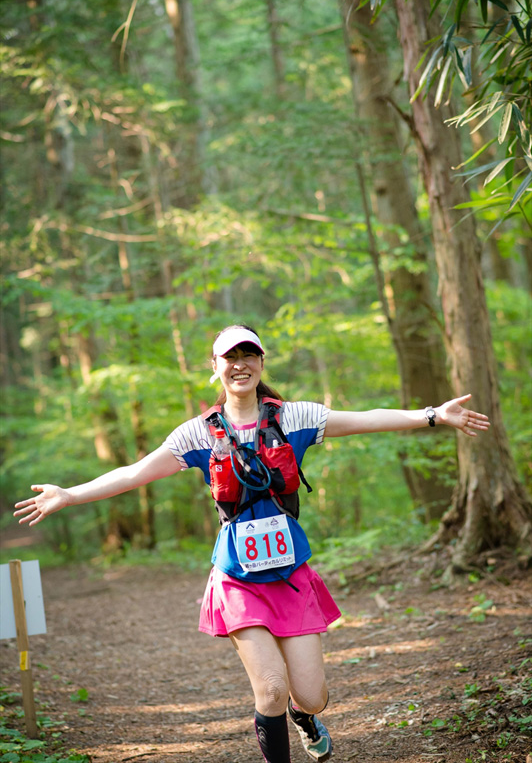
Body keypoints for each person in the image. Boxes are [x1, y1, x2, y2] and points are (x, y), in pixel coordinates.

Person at [14, 324, 490, 763]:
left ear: (261, 363)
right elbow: (133, 473)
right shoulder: (197, 433)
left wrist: (433, 415)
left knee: (310, 696)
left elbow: (366, 418)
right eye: (230, 357)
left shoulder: (295, 417)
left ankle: (305, 717)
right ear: (215, 366)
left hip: (290, 573)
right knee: (271, 688)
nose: (240, 365)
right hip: (237, 577)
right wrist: (69, 494)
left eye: (249, 355)